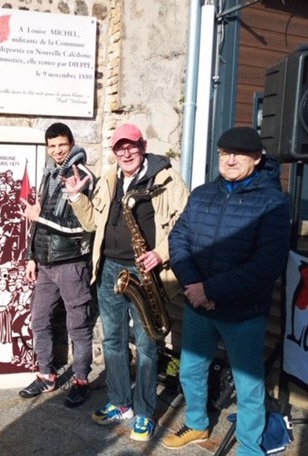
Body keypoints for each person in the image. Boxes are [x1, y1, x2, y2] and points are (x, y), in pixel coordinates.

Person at [163, 127, 291, 454]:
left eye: (239, 154)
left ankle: (250, 447)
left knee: (248, 385)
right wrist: (194, 286)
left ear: (257, 159)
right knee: (191, 370)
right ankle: (197, 423)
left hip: (242, 312)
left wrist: (209, 289)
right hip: (198, 306)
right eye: (224, 153)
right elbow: (178, 239)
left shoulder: (274, 203)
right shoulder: (204, 193)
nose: (230, 160)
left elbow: (267, 264)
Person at [65, 123, 189, 440]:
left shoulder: (166, 178)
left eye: (131, 145)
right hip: (110, 269)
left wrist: (161, 254)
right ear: (114, 151)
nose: (126, 152)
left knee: (147, 346)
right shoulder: (110, 178)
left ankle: (145, 411)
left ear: (142, 146)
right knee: (112, 340)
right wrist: (77, 198)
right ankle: (121, 403)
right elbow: (93, 221)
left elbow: (185, 224)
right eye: (120, 147)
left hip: (146, 272)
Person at [18, 122, 95, 408]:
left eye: (62, 145)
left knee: (78, 326)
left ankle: (81, 380)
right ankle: (47, 376)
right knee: (39, 321)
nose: (57, 151)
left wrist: (39, 219)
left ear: (72, 143)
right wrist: (30, 257)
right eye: (52, 146)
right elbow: (37, 221)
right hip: (46, 264)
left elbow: (82, 227)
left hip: (71, 263)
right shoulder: (49, 173)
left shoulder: (82, 175)